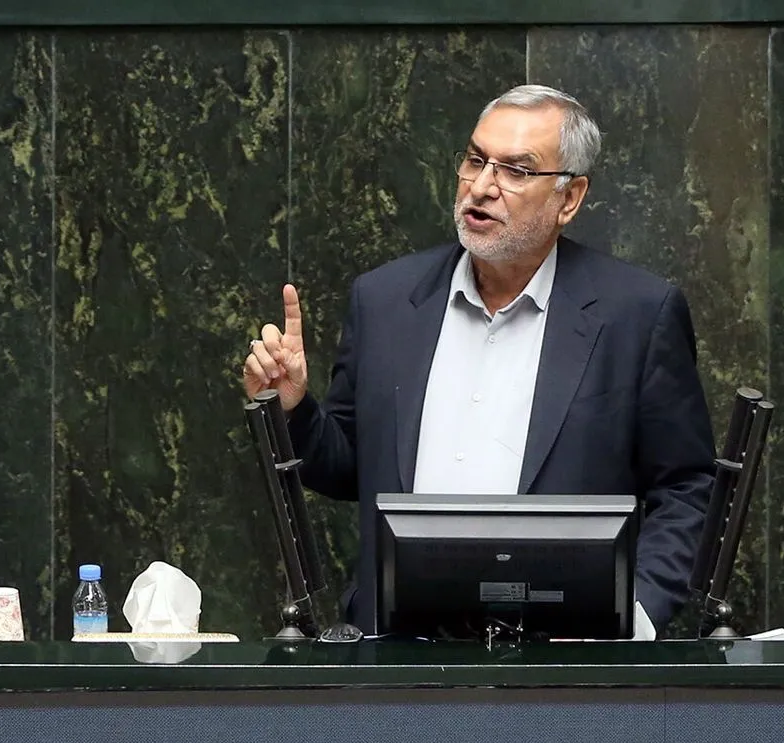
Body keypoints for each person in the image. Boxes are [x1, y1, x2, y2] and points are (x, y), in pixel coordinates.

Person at [241, 84, 716, 636]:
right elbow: (348, 466)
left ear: (569, 198)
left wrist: (634, 614)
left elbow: (687, 489)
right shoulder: (386, 300)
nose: (483, 187)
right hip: (398, 649)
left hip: (563, 656)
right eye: (475, 160)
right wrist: (294, 409)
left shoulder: (636, 314)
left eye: (516, 170)